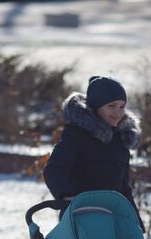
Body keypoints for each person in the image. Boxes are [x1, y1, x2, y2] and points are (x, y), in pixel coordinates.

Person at [43, 75, 143, 228]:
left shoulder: (120, 141)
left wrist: (135, 223)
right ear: (96, 106)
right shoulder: (76, 135)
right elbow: (54, 170)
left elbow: (123, 188)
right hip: (80, 218)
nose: (117, 112)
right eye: (111, 105)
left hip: (112, 219)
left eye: (122, 106)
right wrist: (68, 198)